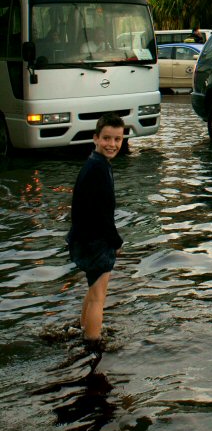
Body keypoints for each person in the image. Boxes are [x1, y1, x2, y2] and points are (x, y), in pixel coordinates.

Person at [67, 113, 126, 347]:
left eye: (117, 139)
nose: (112, 144)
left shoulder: (96, 163)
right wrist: (116, 242)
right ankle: (92, 344)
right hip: (94, 241)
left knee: (93, 292)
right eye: (107, 139)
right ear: (95, 138)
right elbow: (101, 215)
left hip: (85, 238)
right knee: (98, 298)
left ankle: (81, 329)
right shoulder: (97, 170)